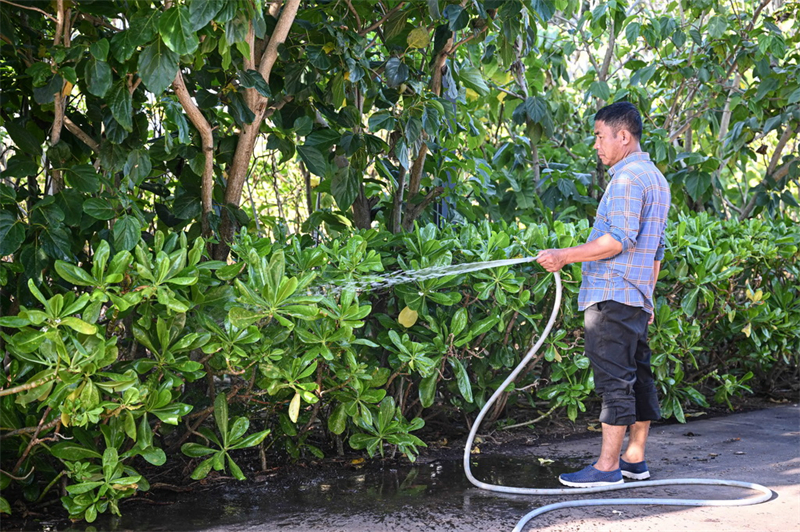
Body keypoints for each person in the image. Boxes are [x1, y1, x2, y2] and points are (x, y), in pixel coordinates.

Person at [535, 101, 670, 487]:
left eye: (599, 135)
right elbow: (656, 250)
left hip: (612, 296)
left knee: (614, 382)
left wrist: (564, 256)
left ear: (622, 136)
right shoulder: (656, 179)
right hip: (635, 297)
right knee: (637, 377)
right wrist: (648, 297)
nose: (596, 145)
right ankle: (634, 460)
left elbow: (619, 240)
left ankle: (607, 468)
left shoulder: (627, 179)